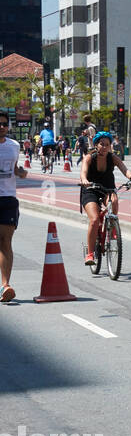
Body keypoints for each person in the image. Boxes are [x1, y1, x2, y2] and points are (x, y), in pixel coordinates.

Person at [79, 131, 131, 266]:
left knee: (115, 200)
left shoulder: (112, 158)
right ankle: (90, 254)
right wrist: (84, 180)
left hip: (107, 189)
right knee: (94, 220)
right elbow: (83, 172)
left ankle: (112, 226)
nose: (105, 147)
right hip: (90, 189)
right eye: (102, 144)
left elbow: (124, 169)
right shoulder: (89, 157)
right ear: (96, 145)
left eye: (108, 144)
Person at [0, 112, 28, 302]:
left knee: (5, 242)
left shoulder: (14, 146)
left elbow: (16, 168)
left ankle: (5, 286)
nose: (1, 127)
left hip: (8, 198)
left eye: (4, 124)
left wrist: (21, 172)